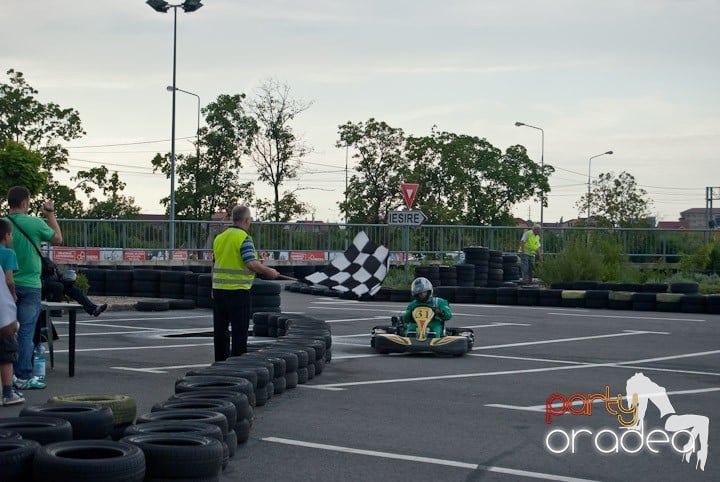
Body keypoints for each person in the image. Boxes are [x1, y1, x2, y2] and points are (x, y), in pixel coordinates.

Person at [4, 186, 62, 390]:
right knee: (26, 333)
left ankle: (6, 376)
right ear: (25, 202)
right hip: (30, 285)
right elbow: (57, 238)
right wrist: (50, 214)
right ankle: (23, 375)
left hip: (5, 283)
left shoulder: (3, 225)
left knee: (5, 331)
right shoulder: (35, 223)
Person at [212, 206, 279, 361]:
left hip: (219, 290)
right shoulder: (244, 238)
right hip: (238, 291)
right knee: (239, 332)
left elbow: (215, 264)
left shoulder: (219, 238)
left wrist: (212, 287)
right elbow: (251, 263)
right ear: (247, 220)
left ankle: (220, 364)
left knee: (220, 331)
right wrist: (270, 272)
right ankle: (237, 364)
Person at [0, 219, 24, 406]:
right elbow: (9, 280)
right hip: (3, 309)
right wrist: (13, 295)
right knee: (7, 352)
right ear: (6, 236)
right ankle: (8, 392)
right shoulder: (8, 253)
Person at [43, 269, 107, 317]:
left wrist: (65, 278)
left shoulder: (47, 260)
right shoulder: (37, 260)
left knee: (75, 290)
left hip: (57, 281)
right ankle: (55, 311)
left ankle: (94, 309)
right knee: (59, 286)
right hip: (44, 284)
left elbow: (57, 273)